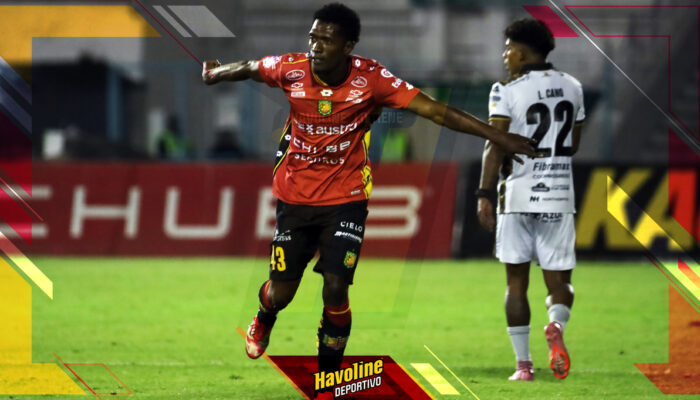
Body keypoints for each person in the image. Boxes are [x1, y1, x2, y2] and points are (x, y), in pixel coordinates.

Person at [203, 4, 536, 398]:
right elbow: (250, 67)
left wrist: (499, 136)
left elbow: (435, 111)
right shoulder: (291, 68)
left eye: (326, 40)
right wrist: (215, 73)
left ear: (348, 46)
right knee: (281, 292)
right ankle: (265, 315)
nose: (315, 46)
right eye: (313, 37)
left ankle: (327, 381)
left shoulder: (372, 79)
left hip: (346, 198)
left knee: (336, 286)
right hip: (295, 198)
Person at [476, 18, 585, 381]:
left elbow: (495, 144)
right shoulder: (573, 86)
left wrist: (484, 193)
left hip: (518, 196)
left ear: (521, 52)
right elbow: (573, 144)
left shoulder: (505, 90)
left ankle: (523, 367)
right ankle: (556, 325)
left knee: (516, 283)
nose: (505, 55)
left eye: (508, 48)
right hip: (558, 196)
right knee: (560, 284)